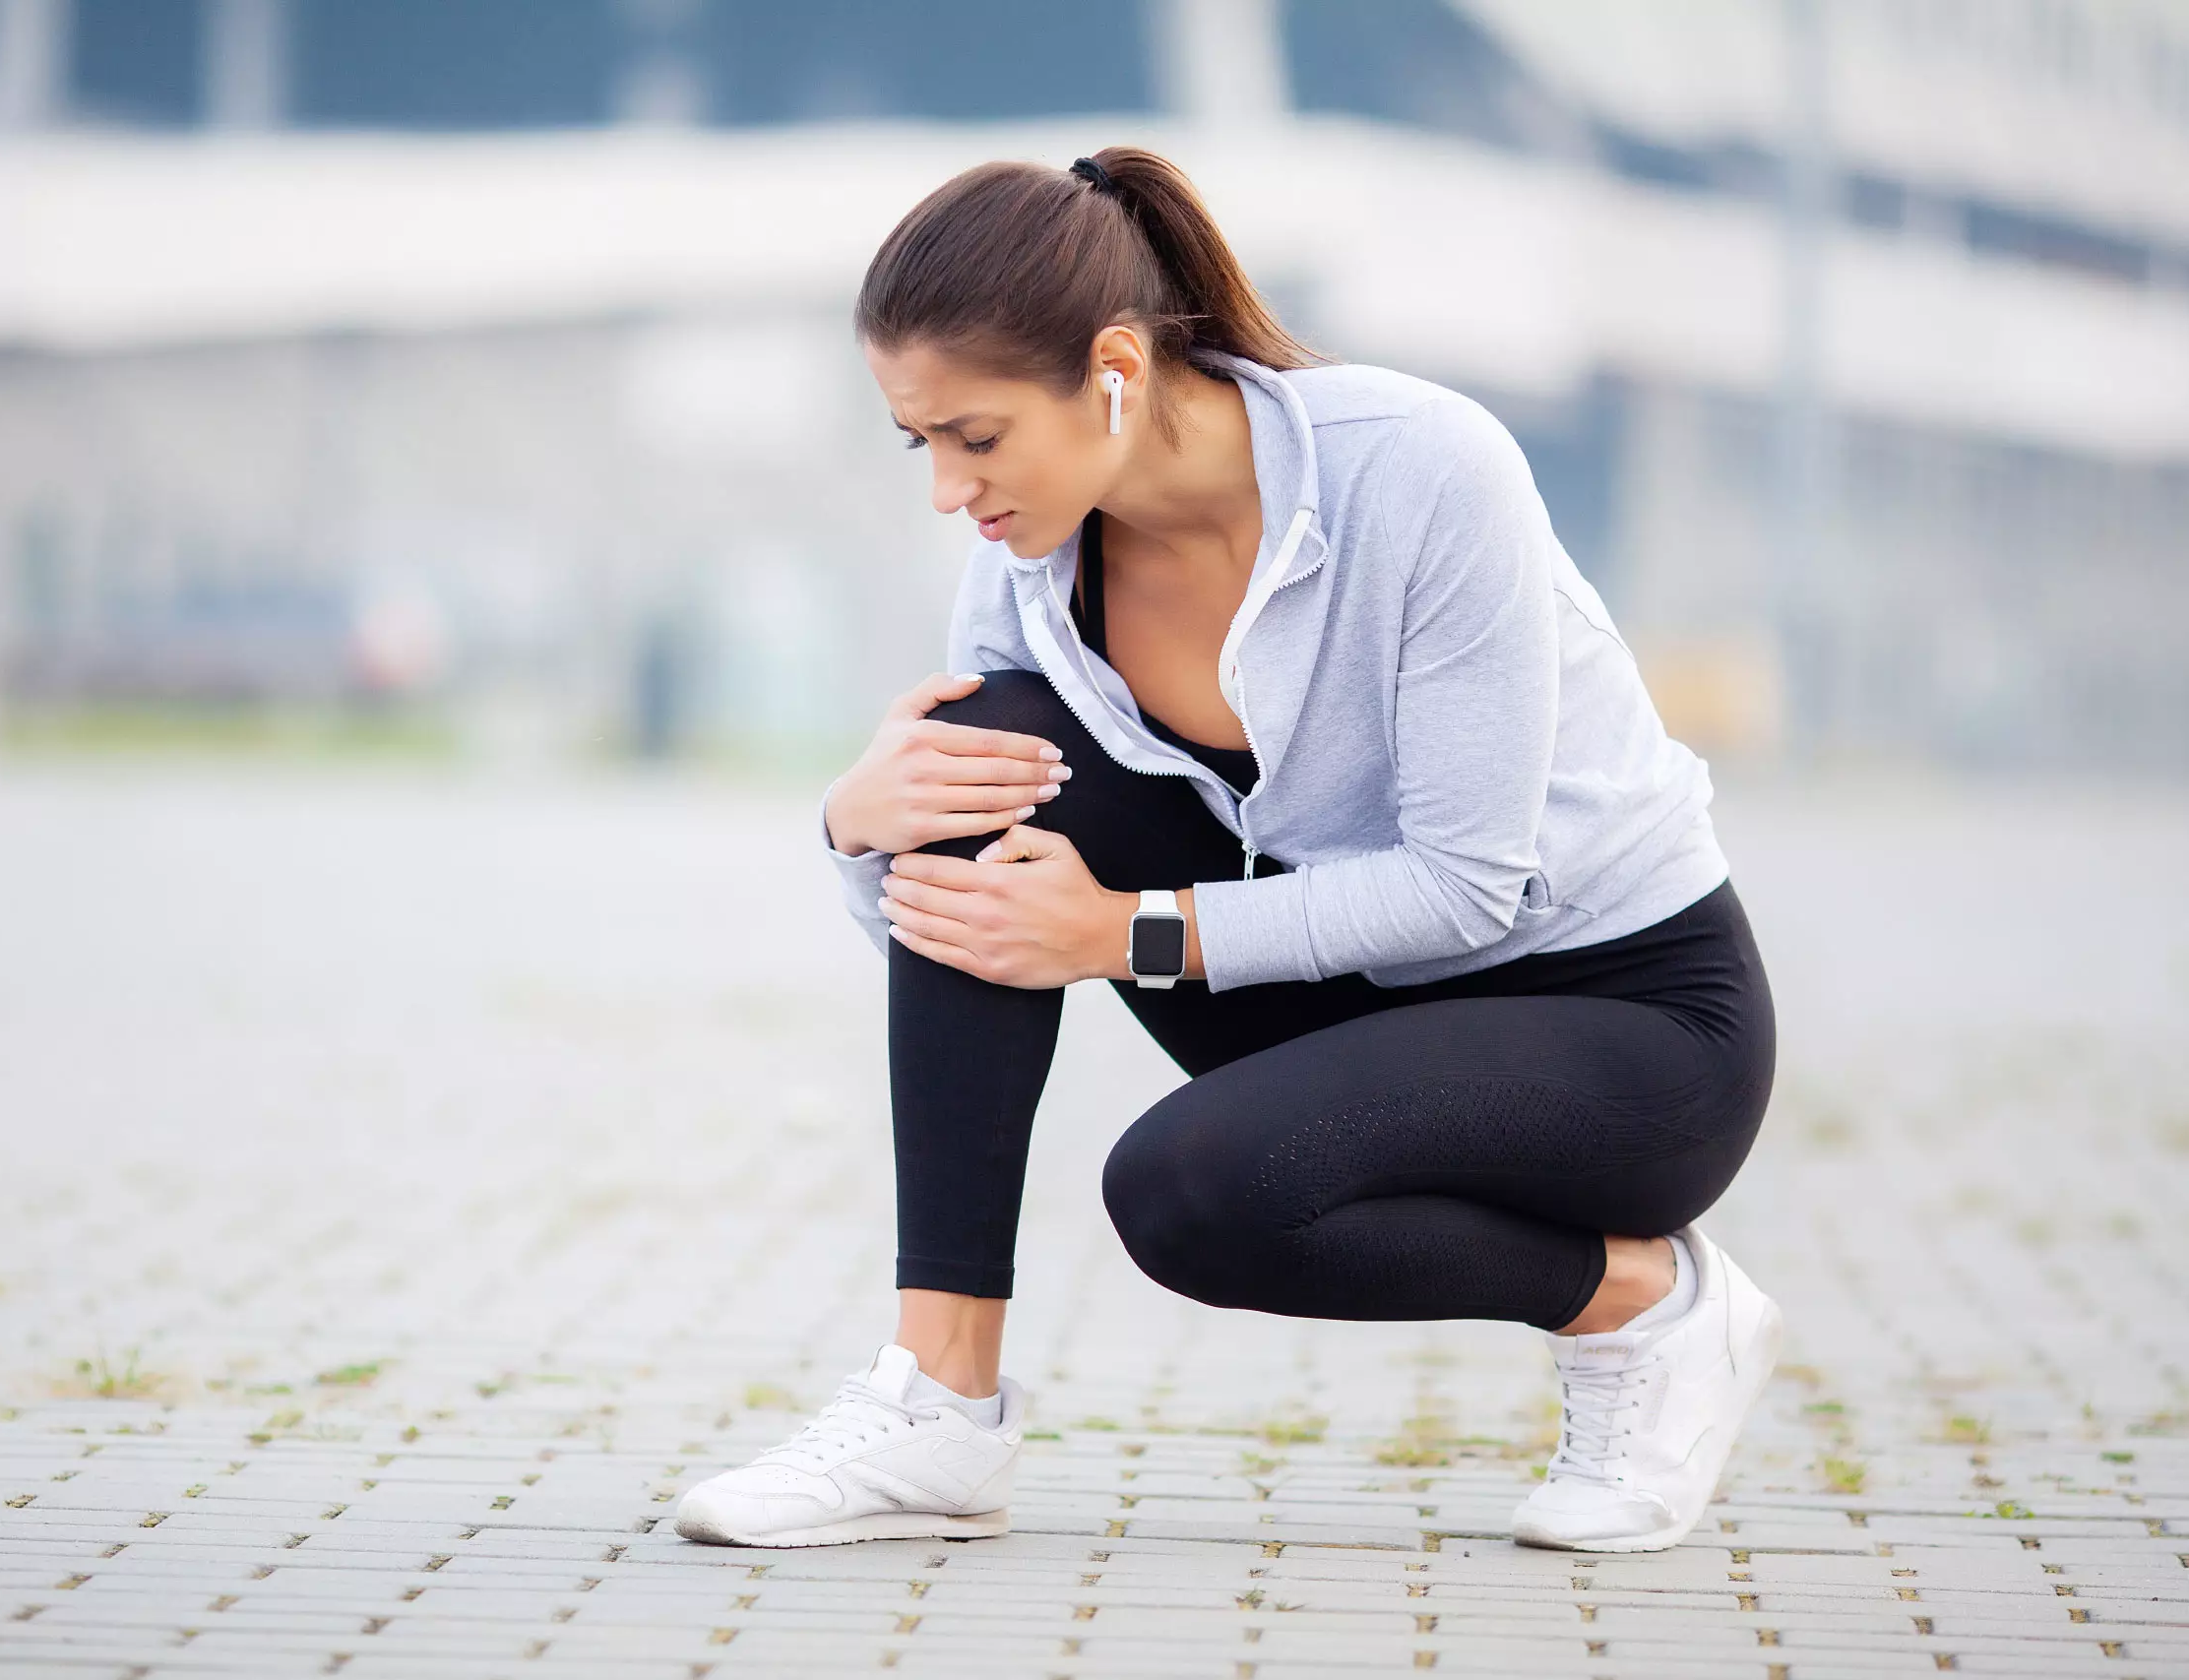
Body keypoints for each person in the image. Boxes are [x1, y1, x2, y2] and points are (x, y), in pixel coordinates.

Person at [674, 147, 1781, 1555]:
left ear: (1115, 371)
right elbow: (975, 911)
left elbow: (1463, 884)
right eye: (923, 446)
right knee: (982, 752)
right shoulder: (1031, 563)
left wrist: (1125, 930)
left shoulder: (1421, 471)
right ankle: (937, 1403)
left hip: (1626, 1025)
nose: (951, 491)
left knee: (1187, 1192)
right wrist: (855, 825)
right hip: (1360, 992)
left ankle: (1650, 1310)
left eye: (977, 436)